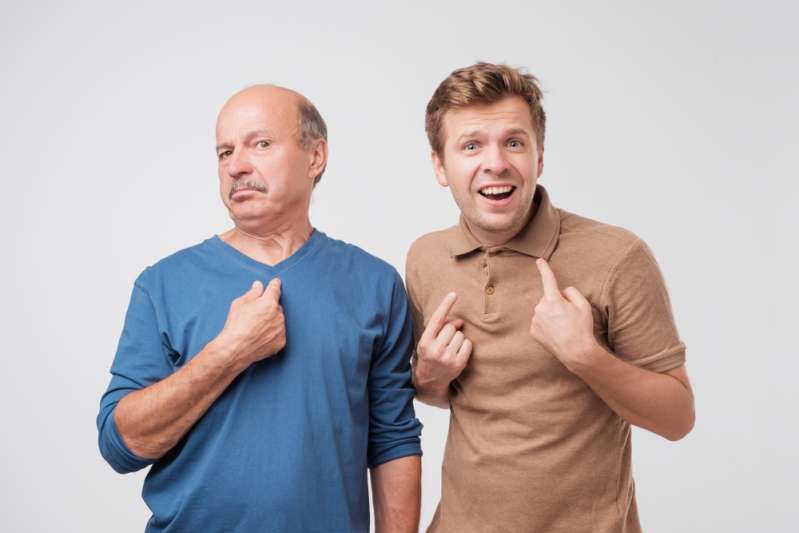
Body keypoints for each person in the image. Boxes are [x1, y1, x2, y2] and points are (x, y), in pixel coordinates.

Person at [97, 84, 422, 533]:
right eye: (224, 152)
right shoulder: (163, 284)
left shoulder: (375, 284)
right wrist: (228, 352)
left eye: (261, 144)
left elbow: (393, 440)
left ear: (315, 157)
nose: (236, 166)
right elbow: (121, 445)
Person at [406, 63, 695, 533]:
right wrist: (429, 376)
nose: (495, 162)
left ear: (539, 157)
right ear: (440, 165)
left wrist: (586, 357)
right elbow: (446, 394)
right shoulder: (425, 258)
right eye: (471, 145)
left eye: (514, 142)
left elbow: (677, 418)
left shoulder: (618, 256)